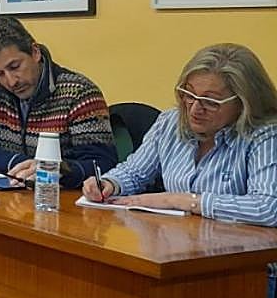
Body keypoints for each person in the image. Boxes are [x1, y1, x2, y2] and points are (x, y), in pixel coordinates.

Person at [83, 43, 277, 221]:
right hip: (178, 239)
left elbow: (268, 207)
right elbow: (134, 172)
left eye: (210, 102)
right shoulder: (170, 122)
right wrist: (110, 184)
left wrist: (182, 201)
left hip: (239, 246)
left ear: (243, 103)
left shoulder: (265, 135)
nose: (194, 109)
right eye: (188, 94)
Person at [0, 16, 116, 188]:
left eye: (15, 67)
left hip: (61, 196)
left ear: (35, 52)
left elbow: (102, 165)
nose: (11, 81)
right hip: (17, 191)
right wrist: (22, 165)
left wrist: (54, 170)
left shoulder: (79, 93)